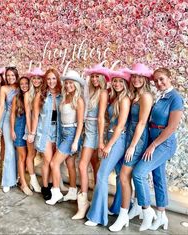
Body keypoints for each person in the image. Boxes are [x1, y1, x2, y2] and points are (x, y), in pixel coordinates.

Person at [132, 68, 184, 231]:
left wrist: (154, 145)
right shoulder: (160, 96)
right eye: (155, 81)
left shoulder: (175, 98)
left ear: (169, 78)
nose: (159, 83)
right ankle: (162, 215)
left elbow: (172, 127)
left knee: (138, 173)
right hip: (152, 139)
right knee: (158, 177)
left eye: (162, 79)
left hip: (164, 143)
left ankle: (147, 211)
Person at [109, 63, 153, 232]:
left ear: (145, 79)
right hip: (129, 135)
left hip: (138, 139)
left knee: (124, 177)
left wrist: (133, 146)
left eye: (139, 76)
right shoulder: (135, 94)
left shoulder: (146, 96)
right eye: (134, 76)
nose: (136, 79)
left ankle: (123, 215)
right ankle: (130, 208)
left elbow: (142, 123)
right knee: (124, 176)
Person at [85, 69, 131, 227]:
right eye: (115, 81)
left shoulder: (124, 100)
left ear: (125, 83)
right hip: (113, 137)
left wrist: (107, 145)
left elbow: (120, 126)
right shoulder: (116, 97)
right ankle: (117, 208)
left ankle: (97, 216)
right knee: (119, 174)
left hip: (117, 139)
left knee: (102, 175)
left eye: (120, 81)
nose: (117, 83)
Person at [72, 64, 109, 220]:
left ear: (102, 78)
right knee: (94, 165)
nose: (94, 79)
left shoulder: (103, 93)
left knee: (82, 165)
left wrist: (100, 141)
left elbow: (101, 117)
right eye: (92, 76)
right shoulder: (90, 91)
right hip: (87, 129)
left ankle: (84, 202)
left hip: (95, 132)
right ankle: (96, 200)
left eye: (97, 76)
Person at [46, 70, 85, 205]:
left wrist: (75, 141)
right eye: (66, 83)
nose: (68, 85)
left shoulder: (78, 100)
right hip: (62, 132)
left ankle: (56, 192)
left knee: (54, 163)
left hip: (72, 134)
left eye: (71, 83)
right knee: (69, 164)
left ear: (76, 84)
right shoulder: (65, 97)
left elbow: (80, 123)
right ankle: (73, 192)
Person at [31, 68, 62, 200]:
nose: (51, 81)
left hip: (59, 131)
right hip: (45, 131)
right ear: (45, 80)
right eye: (48, 79)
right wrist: (32, 133)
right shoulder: (41, 95)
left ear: (57, 79)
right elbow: (35, 116)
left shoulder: (62, 94)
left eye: (53, 78)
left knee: (54, 162)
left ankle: (50, 184)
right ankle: (45, 186)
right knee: (47, 161)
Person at [0, 67, 19, 193]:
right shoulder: (3, 89)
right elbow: (2, 107)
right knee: (9, 150)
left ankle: (15, 178)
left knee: (17, 150)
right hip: (7, 120)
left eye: (12, 75)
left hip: (20, 119)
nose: (10, 77)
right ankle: (7, 181)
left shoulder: (21, 86)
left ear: (16, 75)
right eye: (8, 75)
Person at [10, 76, 33, 196]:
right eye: (22, 84)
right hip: (19, 129)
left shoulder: (31, 96)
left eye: (26, 83)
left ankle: (21, 179)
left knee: (29, 156)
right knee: (22, 156)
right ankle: (23, 184)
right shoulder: (16, 98)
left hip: (29, 130)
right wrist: (12, 130)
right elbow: (12, 115)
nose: (24, 86)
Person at [24, 65, 43, 192]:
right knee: (31, 154)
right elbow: (27, 114)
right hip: (31, 127)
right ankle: (33, 180)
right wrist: (31, 132)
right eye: (34, 78)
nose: (36, 81)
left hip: (41, 127)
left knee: (38, 154)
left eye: (38, 78)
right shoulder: (27, 94)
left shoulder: (43, 93)